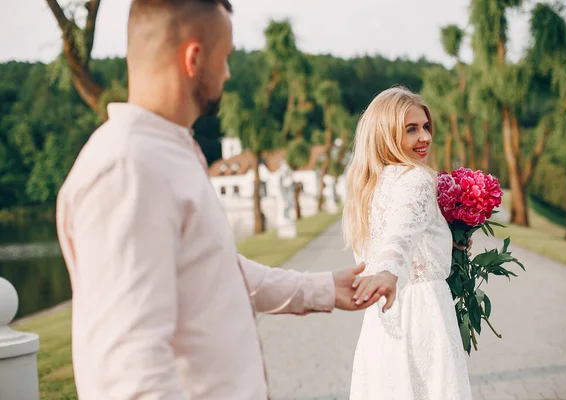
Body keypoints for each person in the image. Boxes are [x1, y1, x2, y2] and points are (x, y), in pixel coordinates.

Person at [54, 1, 395, 399]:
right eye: (226, 57)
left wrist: (322, 288)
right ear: (194, 58)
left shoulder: (169, 153)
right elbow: (130, 372)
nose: (230, 73)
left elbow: (218, 270)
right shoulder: (128, 170)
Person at [342, 86, 472, 399]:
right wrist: (388, 271)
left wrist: (446, 243)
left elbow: (405, 234)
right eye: (411, 129)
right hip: (422, 312)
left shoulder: (369, 185)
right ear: (384, 133)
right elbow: (398, 239)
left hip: (382, 315)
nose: (425, 137)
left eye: (426, 127)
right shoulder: (415, 178)